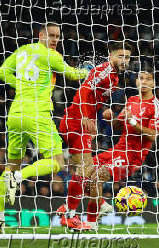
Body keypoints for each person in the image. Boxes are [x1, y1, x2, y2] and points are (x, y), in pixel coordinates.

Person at [0, 23, 91, 233]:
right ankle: (18, 179)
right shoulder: (50, 55)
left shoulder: (22, 51)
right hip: (37, 114)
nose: (55, 40)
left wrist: (20, 84)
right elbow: (72, 74)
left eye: (57, 36)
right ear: (41, 35)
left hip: (16, 114)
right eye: (51, 36)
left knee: (11, 165)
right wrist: (88, 71)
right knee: (57, 162)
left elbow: (2, 72)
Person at [56, 70, 159, 230]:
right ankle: (101, 204)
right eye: (141, 78)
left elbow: (153, 135)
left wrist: (134, 122)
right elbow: (117, 125)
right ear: (136, 82)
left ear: (153, 84)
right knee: (83, 171)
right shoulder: (132, 101)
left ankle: (91, 222)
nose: (144, 81)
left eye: (148, 78)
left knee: (98, 177)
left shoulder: (157, 106)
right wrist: (111, 117)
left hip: (132, 157)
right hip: (117, 150)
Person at [57, 42, 133, 230]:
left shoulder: (114, 78)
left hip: (81, 121)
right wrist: (84, 115)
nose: (125, 60)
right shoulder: (105, 70)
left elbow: (95, 98)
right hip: (77, 120)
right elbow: (84, 91)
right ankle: (70, 215)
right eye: (121, 56)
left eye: (128, 57)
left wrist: (104, 110)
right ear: (111, 55)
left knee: (85, 170)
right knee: (85, 169)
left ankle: (67, 208)